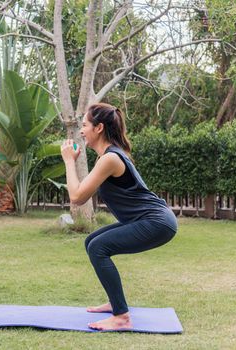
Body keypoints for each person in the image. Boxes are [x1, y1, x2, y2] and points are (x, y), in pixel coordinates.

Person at [60, 103, 177, 331]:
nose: (82, 131)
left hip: (156, 222)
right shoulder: (109, 156)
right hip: (148, 220)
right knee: (92, 242)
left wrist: (68, 161)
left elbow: (77, 197)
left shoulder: (110, 159)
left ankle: (121, 317)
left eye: (84, 125)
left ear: (99, 128)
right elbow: (81, 193)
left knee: (98, 248)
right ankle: (116, 304)